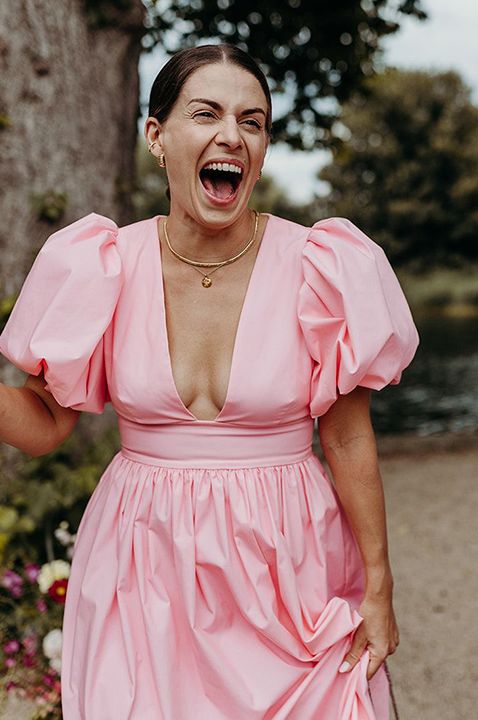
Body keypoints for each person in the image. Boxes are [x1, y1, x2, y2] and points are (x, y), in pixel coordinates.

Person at [0, 43, 418, 719]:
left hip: (289, 567)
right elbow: (45, 424)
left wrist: (378, 587)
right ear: (156, 136)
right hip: (141, 565)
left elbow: (345, 441)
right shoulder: (101, 264)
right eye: (207, 113)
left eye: (252, 122)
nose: (232, 134)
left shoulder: (321, 267)